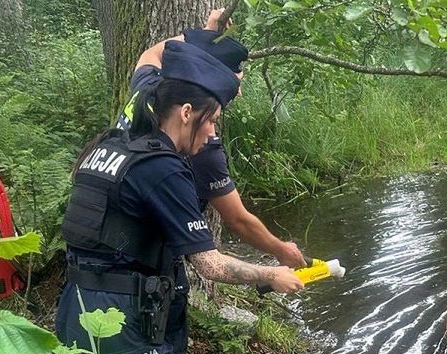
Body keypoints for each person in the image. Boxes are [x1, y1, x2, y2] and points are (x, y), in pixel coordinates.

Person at [56, 42, 303, 354]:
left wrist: (204, 35)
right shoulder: (162, 168)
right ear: (187, 112)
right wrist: (271, 274)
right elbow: (211, 266)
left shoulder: (112, 142)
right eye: (212, 121)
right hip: (120, 318)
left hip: (77, 305)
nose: (212, 134)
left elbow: (149, 60)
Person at [117, 8, 306, 269]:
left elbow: (153, 53)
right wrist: (281, 250)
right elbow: (237, 219)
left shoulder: (149, 89)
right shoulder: (197, 144)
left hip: (112, 226)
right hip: (140, 259)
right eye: (230, 83)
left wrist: (205, 36)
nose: (236, 94)